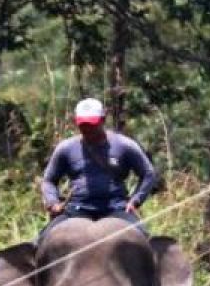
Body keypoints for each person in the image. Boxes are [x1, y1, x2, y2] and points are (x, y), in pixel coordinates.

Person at [39, 98, 157, 238]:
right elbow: (49, 180)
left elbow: (148, 173)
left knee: (144, 238)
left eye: (92, 125)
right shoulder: (66, 148)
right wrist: (53, 202)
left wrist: (136, 200)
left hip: (116, 208)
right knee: (42, 240)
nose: (87, 129)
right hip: (76, 208)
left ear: (103, 119)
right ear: (76, 122)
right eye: (83, 125)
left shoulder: (124, 145)